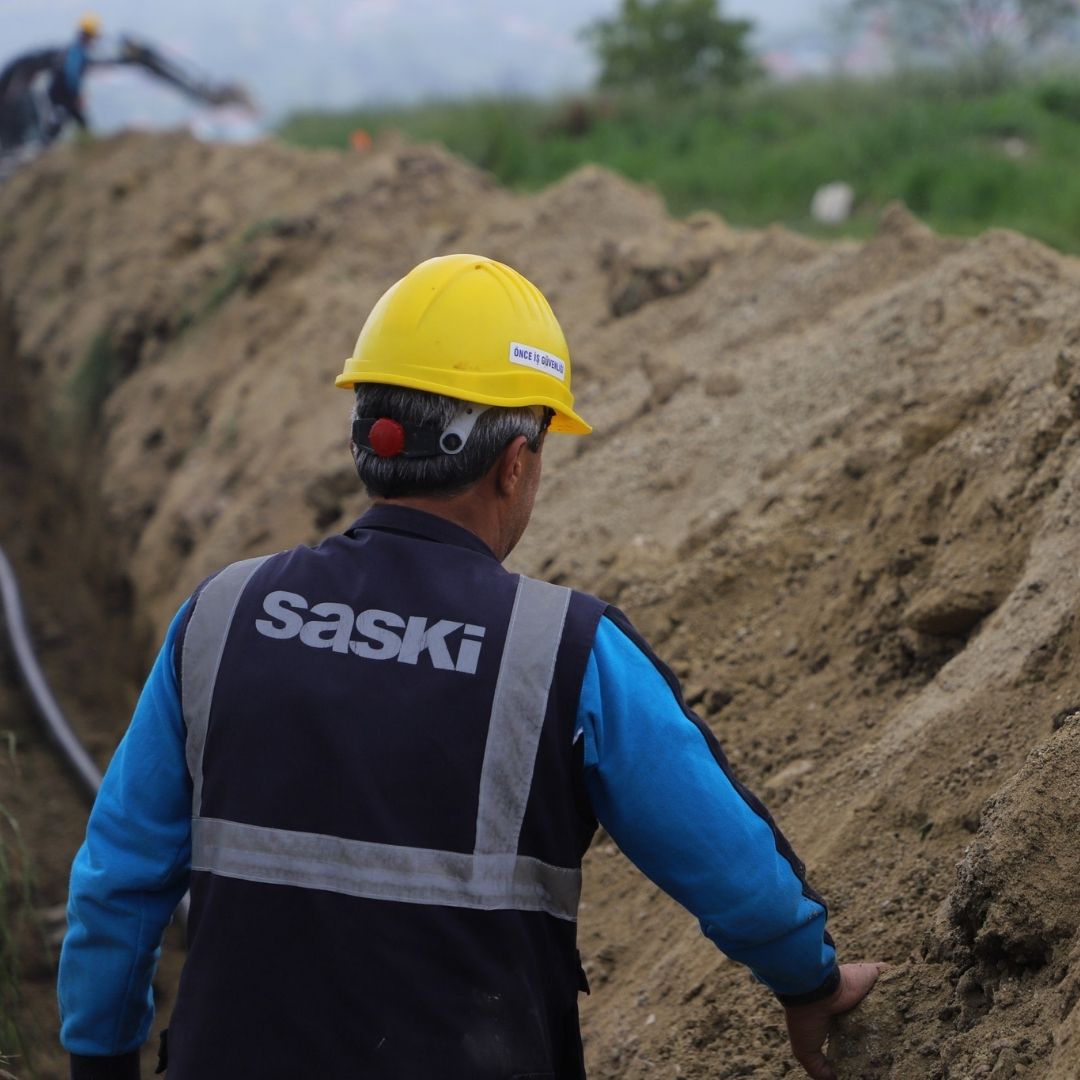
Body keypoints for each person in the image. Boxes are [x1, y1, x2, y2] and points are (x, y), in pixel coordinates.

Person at [58, 254, 883, 1080]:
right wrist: (806, 978)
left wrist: (99, 1062)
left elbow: (119, 879)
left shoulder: (222, 614)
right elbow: (728, 861)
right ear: (515, 462)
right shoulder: (565, 649)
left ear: (367, 437)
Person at [45, 13, 101, 141]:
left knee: (63, 119)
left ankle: (47, 142)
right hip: (63, 93)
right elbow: (72, 75)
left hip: (58, 91)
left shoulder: (74, 48)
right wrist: (76, 95)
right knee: (76, 121)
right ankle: (88, 144)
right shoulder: (78, 51)